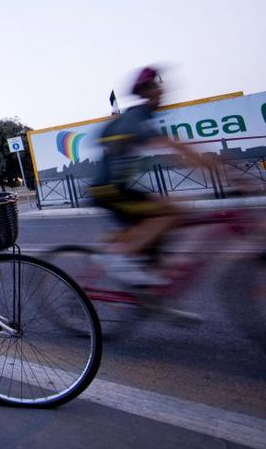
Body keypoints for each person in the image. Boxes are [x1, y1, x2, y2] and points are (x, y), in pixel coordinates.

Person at [89, 67, 216, 287]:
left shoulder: (138, 117)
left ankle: (149, 274)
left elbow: (174, 150)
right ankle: (117, 257)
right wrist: (222, 172)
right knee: (172, 213)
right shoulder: (136, 118)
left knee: (167, 210)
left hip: (115, 188)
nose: (162, 92)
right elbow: (176, 148)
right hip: (109, 190)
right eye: (157, 88)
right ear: (145, 91)